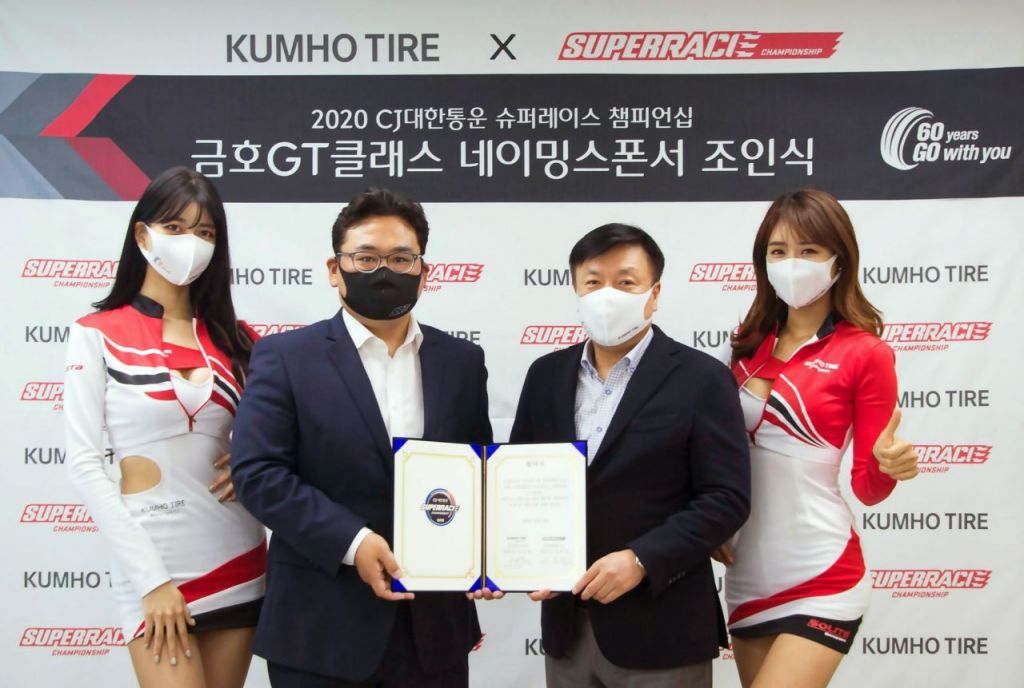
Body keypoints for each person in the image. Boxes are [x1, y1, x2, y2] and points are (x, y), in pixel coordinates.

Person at [230, 188, 492, 687]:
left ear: (424, 271)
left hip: (433, 629)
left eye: (401, 258)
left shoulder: (461, 362)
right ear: (335, 269)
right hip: (321, 629)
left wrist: (490, 554)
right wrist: (354, 542)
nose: (384, 272)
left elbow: (479, 472)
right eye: (366, 258)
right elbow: (258, 474)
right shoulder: (286, 357)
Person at [511, 223, 751, 688]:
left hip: (662, 629)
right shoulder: (545, 376)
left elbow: (726, 498)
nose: (607, 295)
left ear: (654, 294)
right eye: (593, 282)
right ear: (576, 290)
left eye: (625, 282)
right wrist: (497, 561)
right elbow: (516, 482)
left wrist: (642, 559)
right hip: (567, 629)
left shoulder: (701, 378)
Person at [64, 167, 266, 687]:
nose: (190, 243)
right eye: (175, 228)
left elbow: (286, 438)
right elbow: (83, 464)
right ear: (142, 234)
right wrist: (151, 582)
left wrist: (256, 463)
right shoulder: (95, 334)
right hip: (153, 567)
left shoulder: (240, 340)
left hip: (238, 557)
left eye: (205, 232)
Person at [718, 188, 919, 688]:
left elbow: (868, 488)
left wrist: (888, 465)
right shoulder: (744, 344)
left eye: (808, 250)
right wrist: (710, 524)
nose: (792, 263)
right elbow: (719, 457)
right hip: (746, 577)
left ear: (839, 261)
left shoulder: (865, 352)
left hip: (823, 572)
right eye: (779, 251)